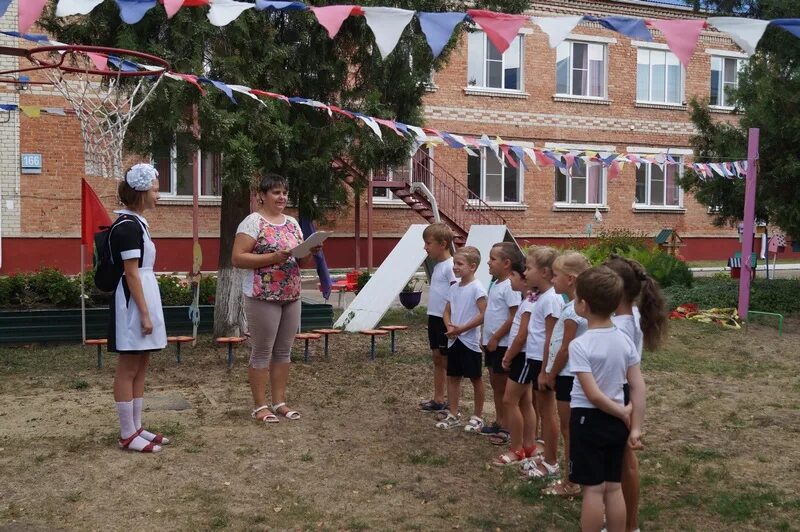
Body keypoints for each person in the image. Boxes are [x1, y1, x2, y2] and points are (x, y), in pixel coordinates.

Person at [231, 173, 321, 424]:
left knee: (283, 351)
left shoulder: (292, 223)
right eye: (276, 192)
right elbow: (237, 258)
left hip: (291, 294)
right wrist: (272, 258)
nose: (282, 197)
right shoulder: (253, 222)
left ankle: (279, 401)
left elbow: (301, 262)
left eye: (284, 193)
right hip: (263, 295)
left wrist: (309, 252)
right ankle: (260, 405)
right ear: (262, 195)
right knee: (262, 351)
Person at [568, 266, 646, 532]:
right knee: (613, 488)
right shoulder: (624, 340)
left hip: (587, 420)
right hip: (617, 422)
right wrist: (634, 425)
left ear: (584, 305)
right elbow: (638, 385)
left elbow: (592, 394)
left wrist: (621, 412)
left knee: (593, 490)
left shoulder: (580, 344)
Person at [605, 256, 666, 532]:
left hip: (618, 393)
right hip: (621, 390)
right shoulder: (629, 315)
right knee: (621, 462)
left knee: (626, 462)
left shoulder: (619, 326)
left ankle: (630, 525)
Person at [110, 163, 168, 453]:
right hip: (133, 303)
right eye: (156, 190)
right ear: (141, 192)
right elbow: (131, 273)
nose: (159, 195)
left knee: (142, 363)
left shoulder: (139, 223)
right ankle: (126, 433)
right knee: (128, 365)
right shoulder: (127, 227)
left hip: (145, 294)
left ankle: (136, 427)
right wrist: (144, 314)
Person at [542, 252, 592, 496]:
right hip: (572, 375)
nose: (552, 280)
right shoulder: (575, 305)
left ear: (570, 279)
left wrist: (550, 374)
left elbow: (565, 348)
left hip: (567, 376)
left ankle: (571, 481)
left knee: (568, 430)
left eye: (556, 275)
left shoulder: (574, 311)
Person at [521, 246, 564, 480]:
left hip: (543, 363)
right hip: (536, 360)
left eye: (528, 268)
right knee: (542, 409)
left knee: (548, 412)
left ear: (545, 272)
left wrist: (546, 370)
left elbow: (551, 338)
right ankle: (546, 455)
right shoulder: (541, 297)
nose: (525, 273)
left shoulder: (552, 300)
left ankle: (551, 461)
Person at [436, 246, 487, 430]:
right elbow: (446, 311)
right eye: (454, 263)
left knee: (475, 377)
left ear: (472, 266)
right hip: (454, 339)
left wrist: (462, 329)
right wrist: (450, 325)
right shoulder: (454, 287)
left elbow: (483, 314)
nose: (455, 267)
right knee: (453, 376)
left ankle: (478, 416)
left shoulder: (477, 288)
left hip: (469, 341)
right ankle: (453, 412)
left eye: (459, 264)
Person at [493, 260, 536, 465]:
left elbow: (521, 335)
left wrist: (509, 356)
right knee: (525, 402)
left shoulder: (528, 304)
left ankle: (517, 449)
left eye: (514, 275)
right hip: (524, 357)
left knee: (510, 401)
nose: (510, 279)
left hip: (522, 357)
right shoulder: (528, 300)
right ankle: (529, 446)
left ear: (525, 280)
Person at [479, 243, 523, 443]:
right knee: (495, 384)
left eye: (492, 259)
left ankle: (508, 426)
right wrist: (486, 337)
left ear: (506, 263)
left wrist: (496, 337)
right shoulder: (495, 283)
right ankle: (499, 420)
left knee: (504, 386)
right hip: (491, 343)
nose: (488, 262)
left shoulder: (510, 287)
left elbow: (514, 317)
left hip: (503, 344)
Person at [418, 223, 457, 413]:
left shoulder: (451, 266)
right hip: (433, 317)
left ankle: (452, 401)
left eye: (428, 243)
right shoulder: (438, 265)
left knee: (448, 361)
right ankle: (438, 398)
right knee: (437, 358)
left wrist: (450, 320)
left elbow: (457, 292)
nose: (425, 247)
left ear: (442, 244)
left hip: (444, 320)